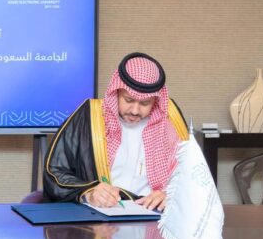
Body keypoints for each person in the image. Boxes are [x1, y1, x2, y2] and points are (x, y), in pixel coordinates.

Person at [43, 52, 188, 210]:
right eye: (128, 100)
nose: (135, 110)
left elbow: (190, 175)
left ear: (156, 100)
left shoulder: (170, 121)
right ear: (117, 91)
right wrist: (89, 193)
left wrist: (171, 194)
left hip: (153, 216)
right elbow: (55, 172)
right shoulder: (89, 117)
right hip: (99, 216)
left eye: (145, 103)